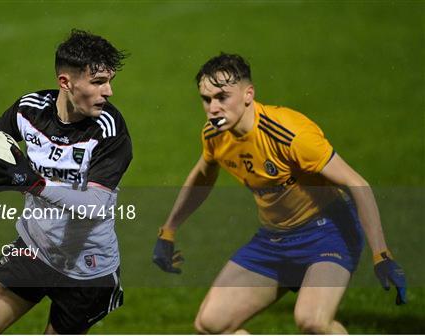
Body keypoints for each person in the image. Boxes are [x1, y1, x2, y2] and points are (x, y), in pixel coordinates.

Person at [152, 53, 406, 334]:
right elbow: (202, 176)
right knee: (210, 325)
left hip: (327, 235)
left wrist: (381, 255)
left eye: (222, 97)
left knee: (312, 322)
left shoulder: (289, 134)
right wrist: (168, 230)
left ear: (248, 94)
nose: (213, 108)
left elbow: (357, 184)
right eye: (206, 99)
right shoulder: (215, 135)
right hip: (274, 241)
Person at [0, 29, 132, 334]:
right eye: (97, 82)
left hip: (87, 271)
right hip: (34, 249)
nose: (107, 92)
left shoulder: (110, 131)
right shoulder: (29, 109)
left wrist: (35, 183)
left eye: (109, 81)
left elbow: (95, 206)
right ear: (65, 82)